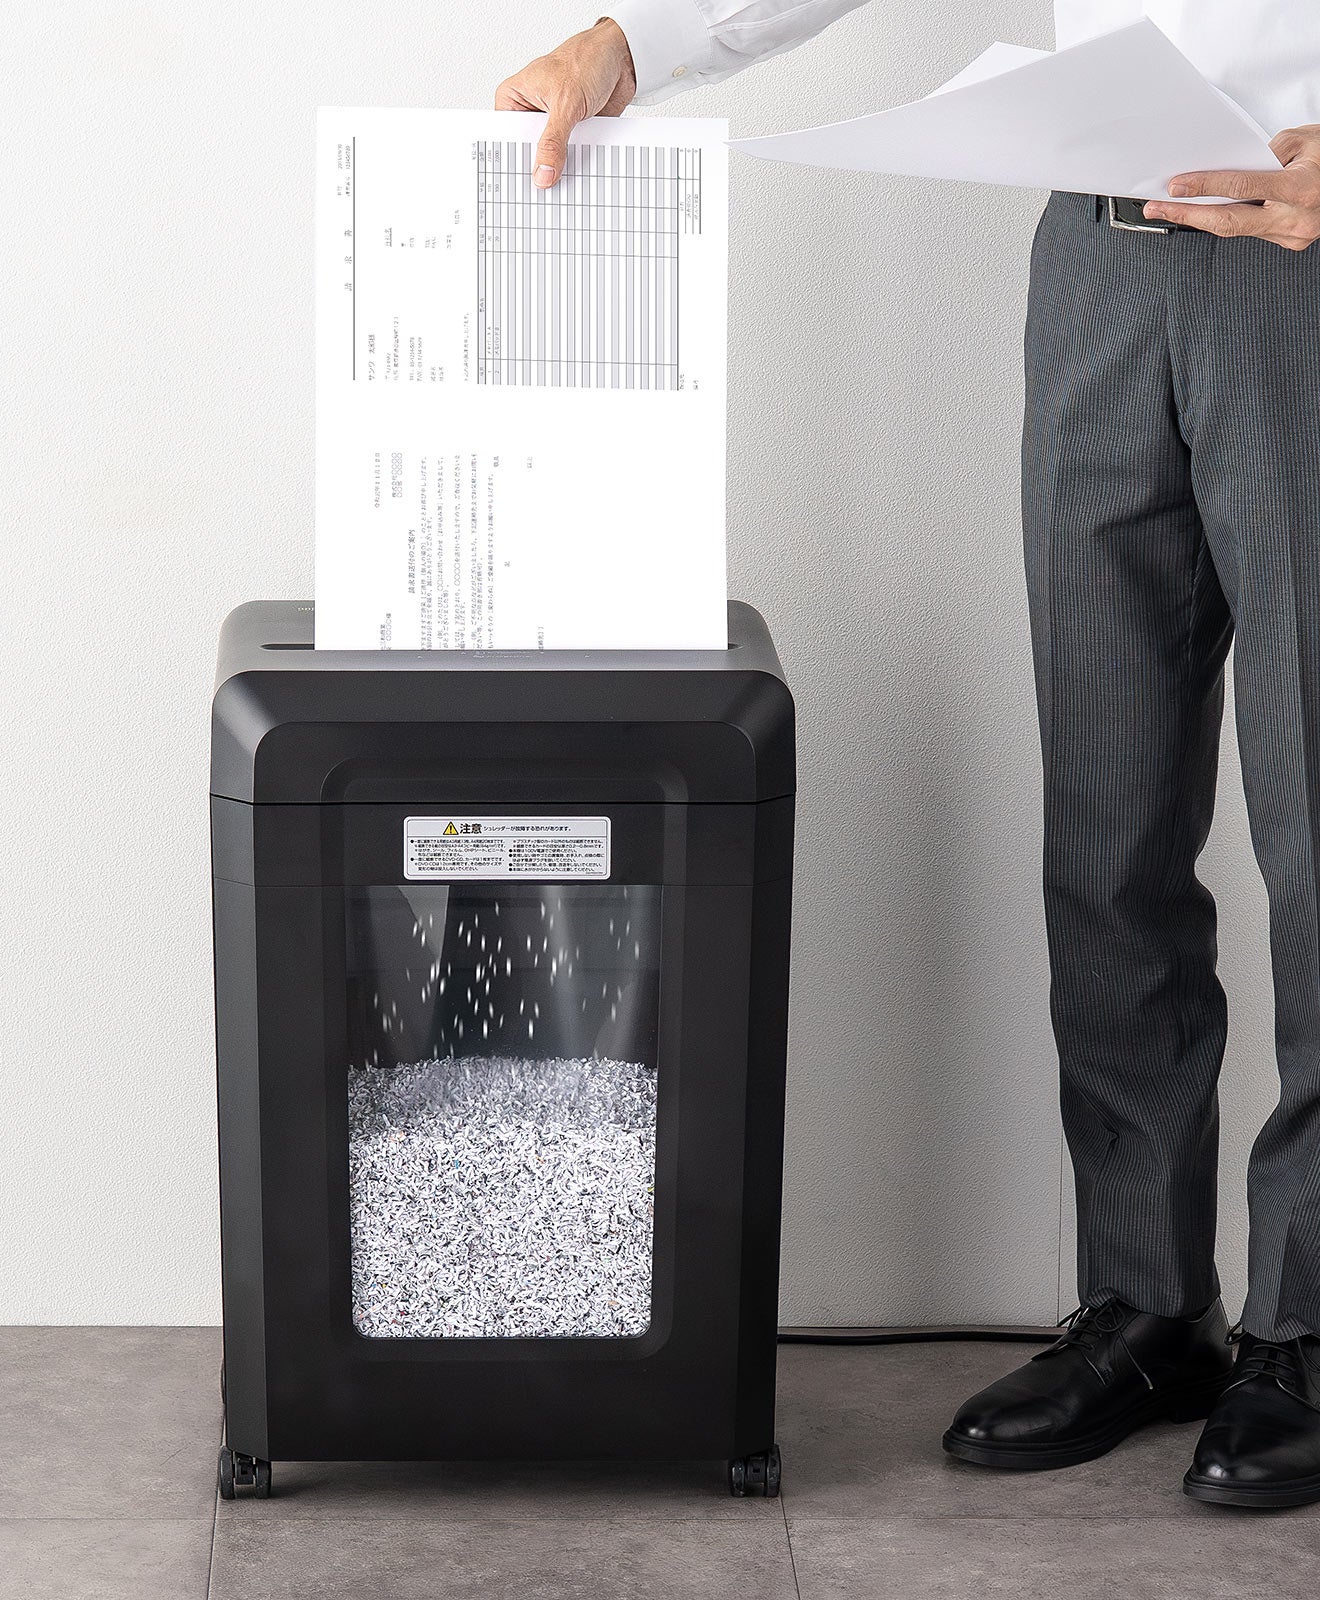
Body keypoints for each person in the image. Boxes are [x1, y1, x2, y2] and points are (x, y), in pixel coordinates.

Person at [497, 4, 1320, 1508]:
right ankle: (1147, 1306)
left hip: (1307, 248)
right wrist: (636, 42)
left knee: (1317, 844)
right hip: (1101, 243)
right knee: (1107, 822)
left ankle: (1311, 1328)